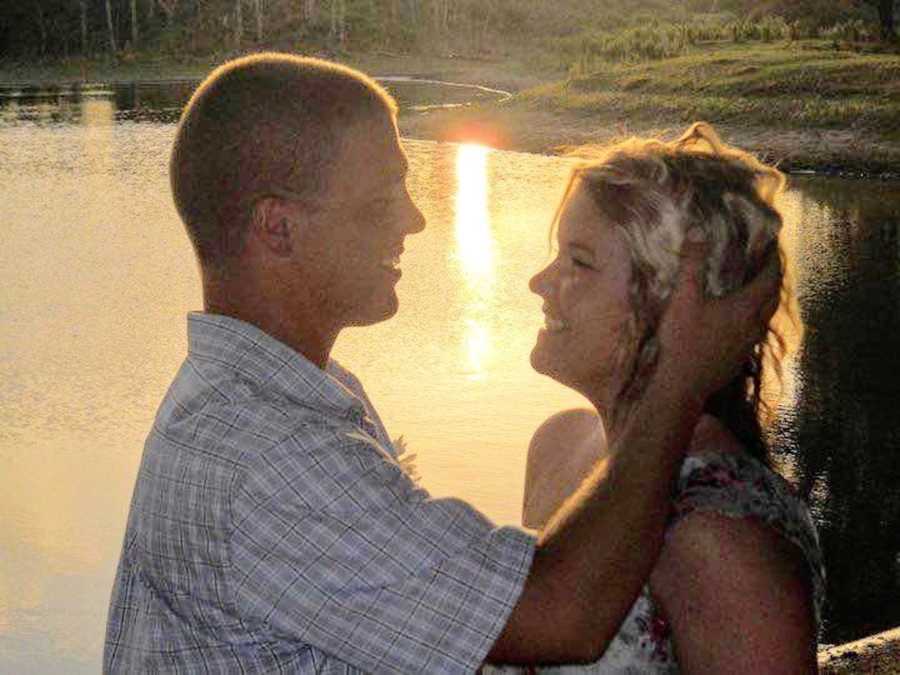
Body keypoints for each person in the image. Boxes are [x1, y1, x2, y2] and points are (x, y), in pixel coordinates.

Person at [103, 54, 780, 673]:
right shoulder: (264, 454)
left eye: (579, 260)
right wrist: (679, 377)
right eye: (382, 197)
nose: (415, 219)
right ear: (278, 228)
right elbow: (557, 617)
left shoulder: (288, 399)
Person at [502, 124, 824, 673]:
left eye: (579, 262)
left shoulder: (721, 537)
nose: (539, 281)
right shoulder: (559, 445)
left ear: (679, 305)